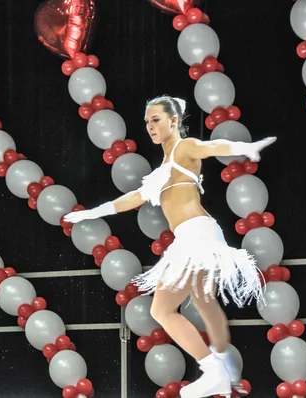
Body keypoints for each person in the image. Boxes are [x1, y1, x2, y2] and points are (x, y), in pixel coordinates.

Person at [64, 95, 276, 398]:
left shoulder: (184, 147)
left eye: (156, 119)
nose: (150, 126)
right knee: (203, 300)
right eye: (147, 121)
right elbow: (134, 198)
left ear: (173, 121)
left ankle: (213, 370)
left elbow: (211, 147)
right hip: (198, 233)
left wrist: (245, 149)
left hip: (195, 235)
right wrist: (91, 213)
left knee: (162, 309)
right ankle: (225, 366)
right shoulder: (164, 165)